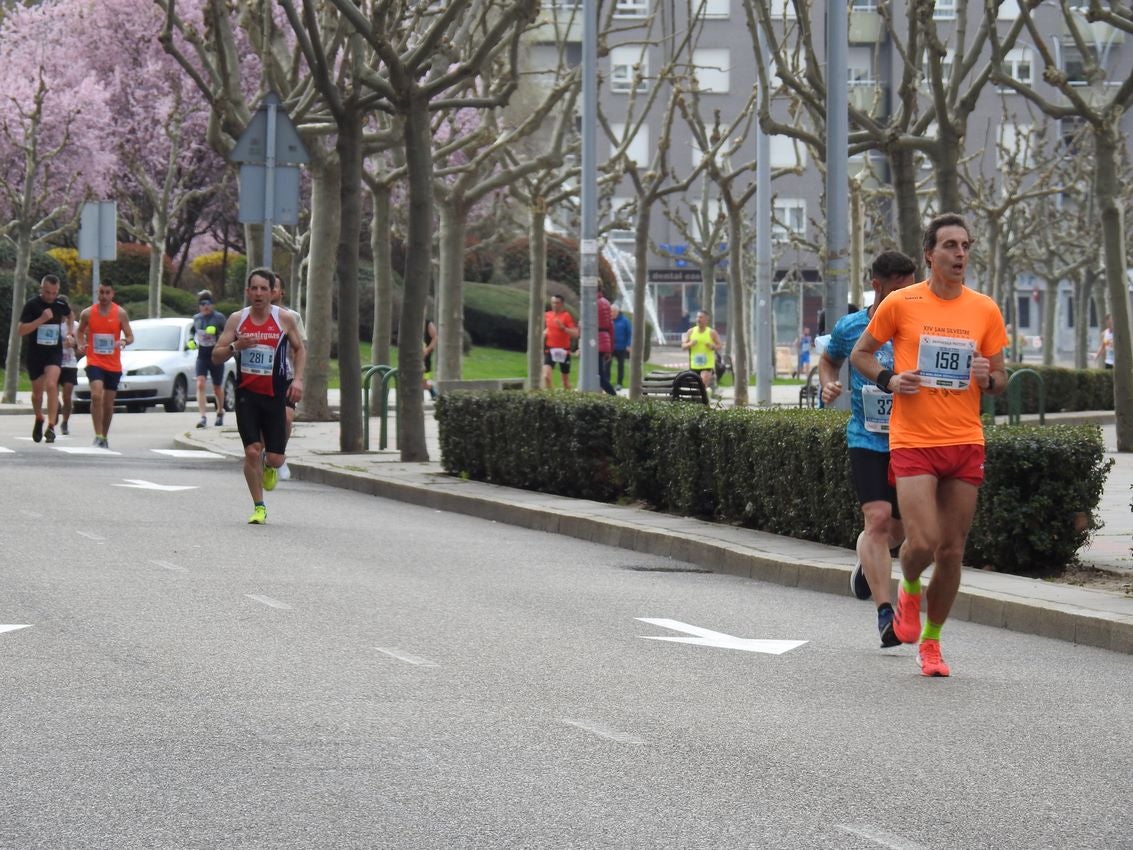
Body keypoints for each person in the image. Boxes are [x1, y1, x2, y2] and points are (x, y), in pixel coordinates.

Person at [850, 213, 1008, 677]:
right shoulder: (901, 303)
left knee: (953, 550)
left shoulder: (984, 309)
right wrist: (891, 378)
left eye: (965, 245)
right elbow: (860, 354)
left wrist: (990, 378)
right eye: (950, 246)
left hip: (964, 439)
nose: (960, 254)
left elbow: (1001, 377)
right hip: (914, 440)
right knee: (922, 541)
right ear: (929, 254)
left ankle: (933, 643)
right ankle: (909, 587)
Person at [819, 250, 917, 648]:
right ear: (877, 285)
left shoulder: (917, 326)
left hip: (911, 439)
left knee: (901, 531)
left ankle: (866, 564)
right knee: (877, 520)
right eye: (897, 290)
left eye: (910, 290)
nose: (905, 298)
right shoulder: (852, 326)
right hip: (867, 437)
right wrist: (828, 383)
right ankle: (884, 614)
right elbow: (829, 360)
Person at [213, 268, 306, 525]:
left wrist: (297, 380)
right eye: (253, 288)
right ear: (247, 292)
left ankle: (270, 466)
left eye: (263, 289)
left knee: (274, 458)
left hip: (275, 393)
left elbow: (300, 350)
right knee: (252, 451)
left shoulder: (284, 319)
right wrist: (236, 347)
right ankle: (259, 506)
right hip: (247, 395)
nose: (258, 293)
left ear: (271, 292)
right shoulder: (237, 320)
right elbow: (217, 355)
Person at [75, 281, 134, 449]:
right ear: (97, 293)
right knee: (96, 396)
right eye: (101, 292)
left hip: (113, 364)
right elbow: (80, 331)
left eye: (107, 292)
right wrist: (81, 343)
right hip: (94, 361)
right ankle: (98, 434)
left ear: (112, 294)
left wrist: (123, 341)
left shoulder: (120, 313)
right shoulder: (88, 313)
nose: (104, 296)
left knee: (108, 404)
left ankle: (104, 436)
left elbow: (130, 336)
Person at [17, 274, 72, 443]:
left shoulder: (60, 304)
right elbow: (21, 330)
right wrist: (41, 319)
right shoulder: (32, 305)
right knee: (36, 394)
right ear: (41, 289)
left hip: (53, 352)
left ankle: (51, 426)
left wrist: (70, 333)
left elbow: (71, 316)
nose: (50, 296)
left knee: (51, 385)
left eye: (54, 293)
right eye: (47, 292)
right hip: (36, 354)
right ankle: (39, 417)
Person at [271, 273, 307, 483]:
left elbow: (300, 347)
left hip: (286, 376)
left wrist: (298, 378)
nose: (271, 290)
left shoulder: (292, 317)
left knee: (286, 418)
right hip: (262, 377)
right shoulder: (254, 316)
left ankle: (279, 455)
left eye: (274, 286)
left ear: (282, 291)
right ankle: (268, 455)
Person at [191, 290, 227, 428]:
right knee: (200, 383)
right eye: (202, 304)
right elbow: (192, 333)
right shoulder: (197, 318)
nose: (205, 306)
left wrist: (217, 334)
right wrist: (191, 342)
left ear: (212, 305)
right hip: (202, 356)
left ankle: (220, 411)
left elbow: (228, 334)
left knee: (217, 388)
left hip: (216, 356)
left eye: (208, 303)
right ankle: (203, 417)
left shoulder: (219, 318)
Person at [543, 294, 579, 389]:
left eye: (557, 303)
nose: (555, 305)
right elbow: (547, 329)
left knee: (565, 382)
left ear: (562, 304)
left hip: (564, 350)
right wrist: (544, 334)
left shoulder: (566, 316)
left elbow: (575, 334)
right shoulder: (547, 315)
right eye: (553, 303)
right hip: (550, 349)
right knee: (546, 376)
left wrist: (563, 328)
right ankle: (552, 398)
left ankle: (569, 400)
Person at [681, 310, 722, 392]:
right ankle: (705, 400)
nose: (698, 319)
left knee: (702, 385)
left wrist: (712, 346)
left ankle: (703, 401)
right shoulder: (690, 332)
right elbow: (683, 346)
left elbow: (719, 346)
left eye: (701, 317)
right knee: (695, 389)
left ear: (706, 320)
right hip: (694, 365)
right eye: (697, 317)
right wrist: (690, 344)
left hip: (707, 365)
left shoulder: (711, 332)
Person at [57, 295, 79, 436]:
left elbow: (80, 348)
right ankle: (55, 407)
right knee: (52, 392)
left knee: (67, 395)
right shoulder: (52, 323)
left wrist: (74, 344)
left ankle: (65, 422)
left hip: (70, 363)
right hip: (54, 363)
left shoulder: (75, 325)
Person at [597, 289, 616, 396]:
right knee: (600, 374)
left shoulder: (592, 301)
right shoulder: (606, 302)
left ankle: (614, 397)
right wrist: (610, 349)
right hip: (604, 341)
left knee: (599, 376)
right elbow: (610, 326)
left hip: (596, 341)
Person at [611, 303, 632, 390]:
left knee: (621, 366)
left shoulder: (625, 321)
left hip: (621, 347)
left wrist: (628, 345)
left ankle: (619, 383)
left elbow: (629, 334)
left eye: (613, 311)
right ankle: (606, 382)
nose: (611, 313)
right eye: (610, 311)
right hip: (610, 347)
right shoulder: (609, 320)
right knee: (606, 365)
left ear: (617, 311)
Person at [423, 317, 438, 400]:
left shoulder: (428, 323)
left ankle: (434, 394)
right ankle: (434, 394)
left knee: (424, 381)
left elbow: (435, 337)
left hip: (425, 359)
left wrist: (427, 350)